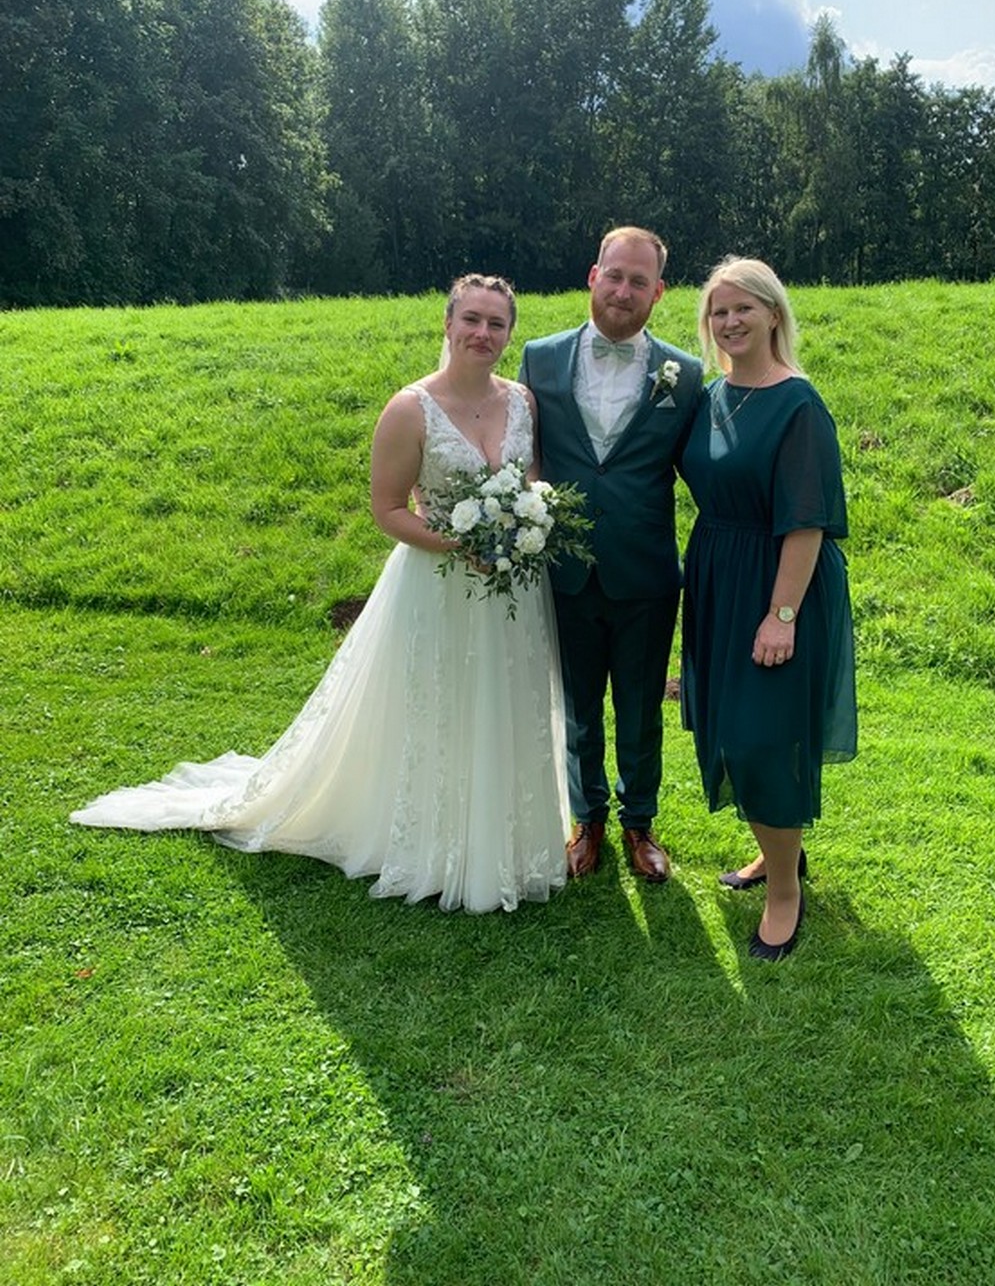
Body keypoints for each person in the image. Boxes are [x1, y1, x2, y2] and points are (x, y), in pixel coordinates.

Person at [71, 274, 570, 914]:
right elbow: (387, 509)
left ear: (509, 333)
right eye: (471, 319)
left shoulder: (523, 401)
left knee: (502, 698)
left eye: (496, 324)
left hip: (509, 590)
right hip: (438, 584)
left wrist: (523, 525)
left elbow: (530, 482)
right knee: (437, 705)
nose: (483, 334)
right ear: (447, 324)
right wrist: (458, 545)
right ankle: (433, 841)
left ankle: (504, 838)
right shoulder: (410, 408)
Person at [679, 256, 857, 959]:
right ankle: (777, 855)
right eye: (719, 312)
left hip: (779, 580)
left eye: (743, 308)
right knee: (728, 728)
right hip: (719, 576)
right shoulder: (711, 396)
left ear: (774, 314)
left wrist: (780, 615)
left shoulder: (798, 403)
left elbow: (807, 519)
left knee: (761, 736)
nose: (730, 322)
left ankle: (785, 890)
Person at [519, 227, 703, 884]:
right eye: (614, 275)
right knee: (576, 706)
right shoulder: (539, 360)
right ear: (593, 276)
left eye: (639, 281)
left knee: (640, 705)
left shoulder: (686, 376)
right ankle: (586, 820)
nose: (624, 290)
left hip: (646, 571)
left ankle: (640, 823)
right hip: (563, 569)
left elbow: (705, 469)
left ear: (659, 291)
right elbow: (521, 453)